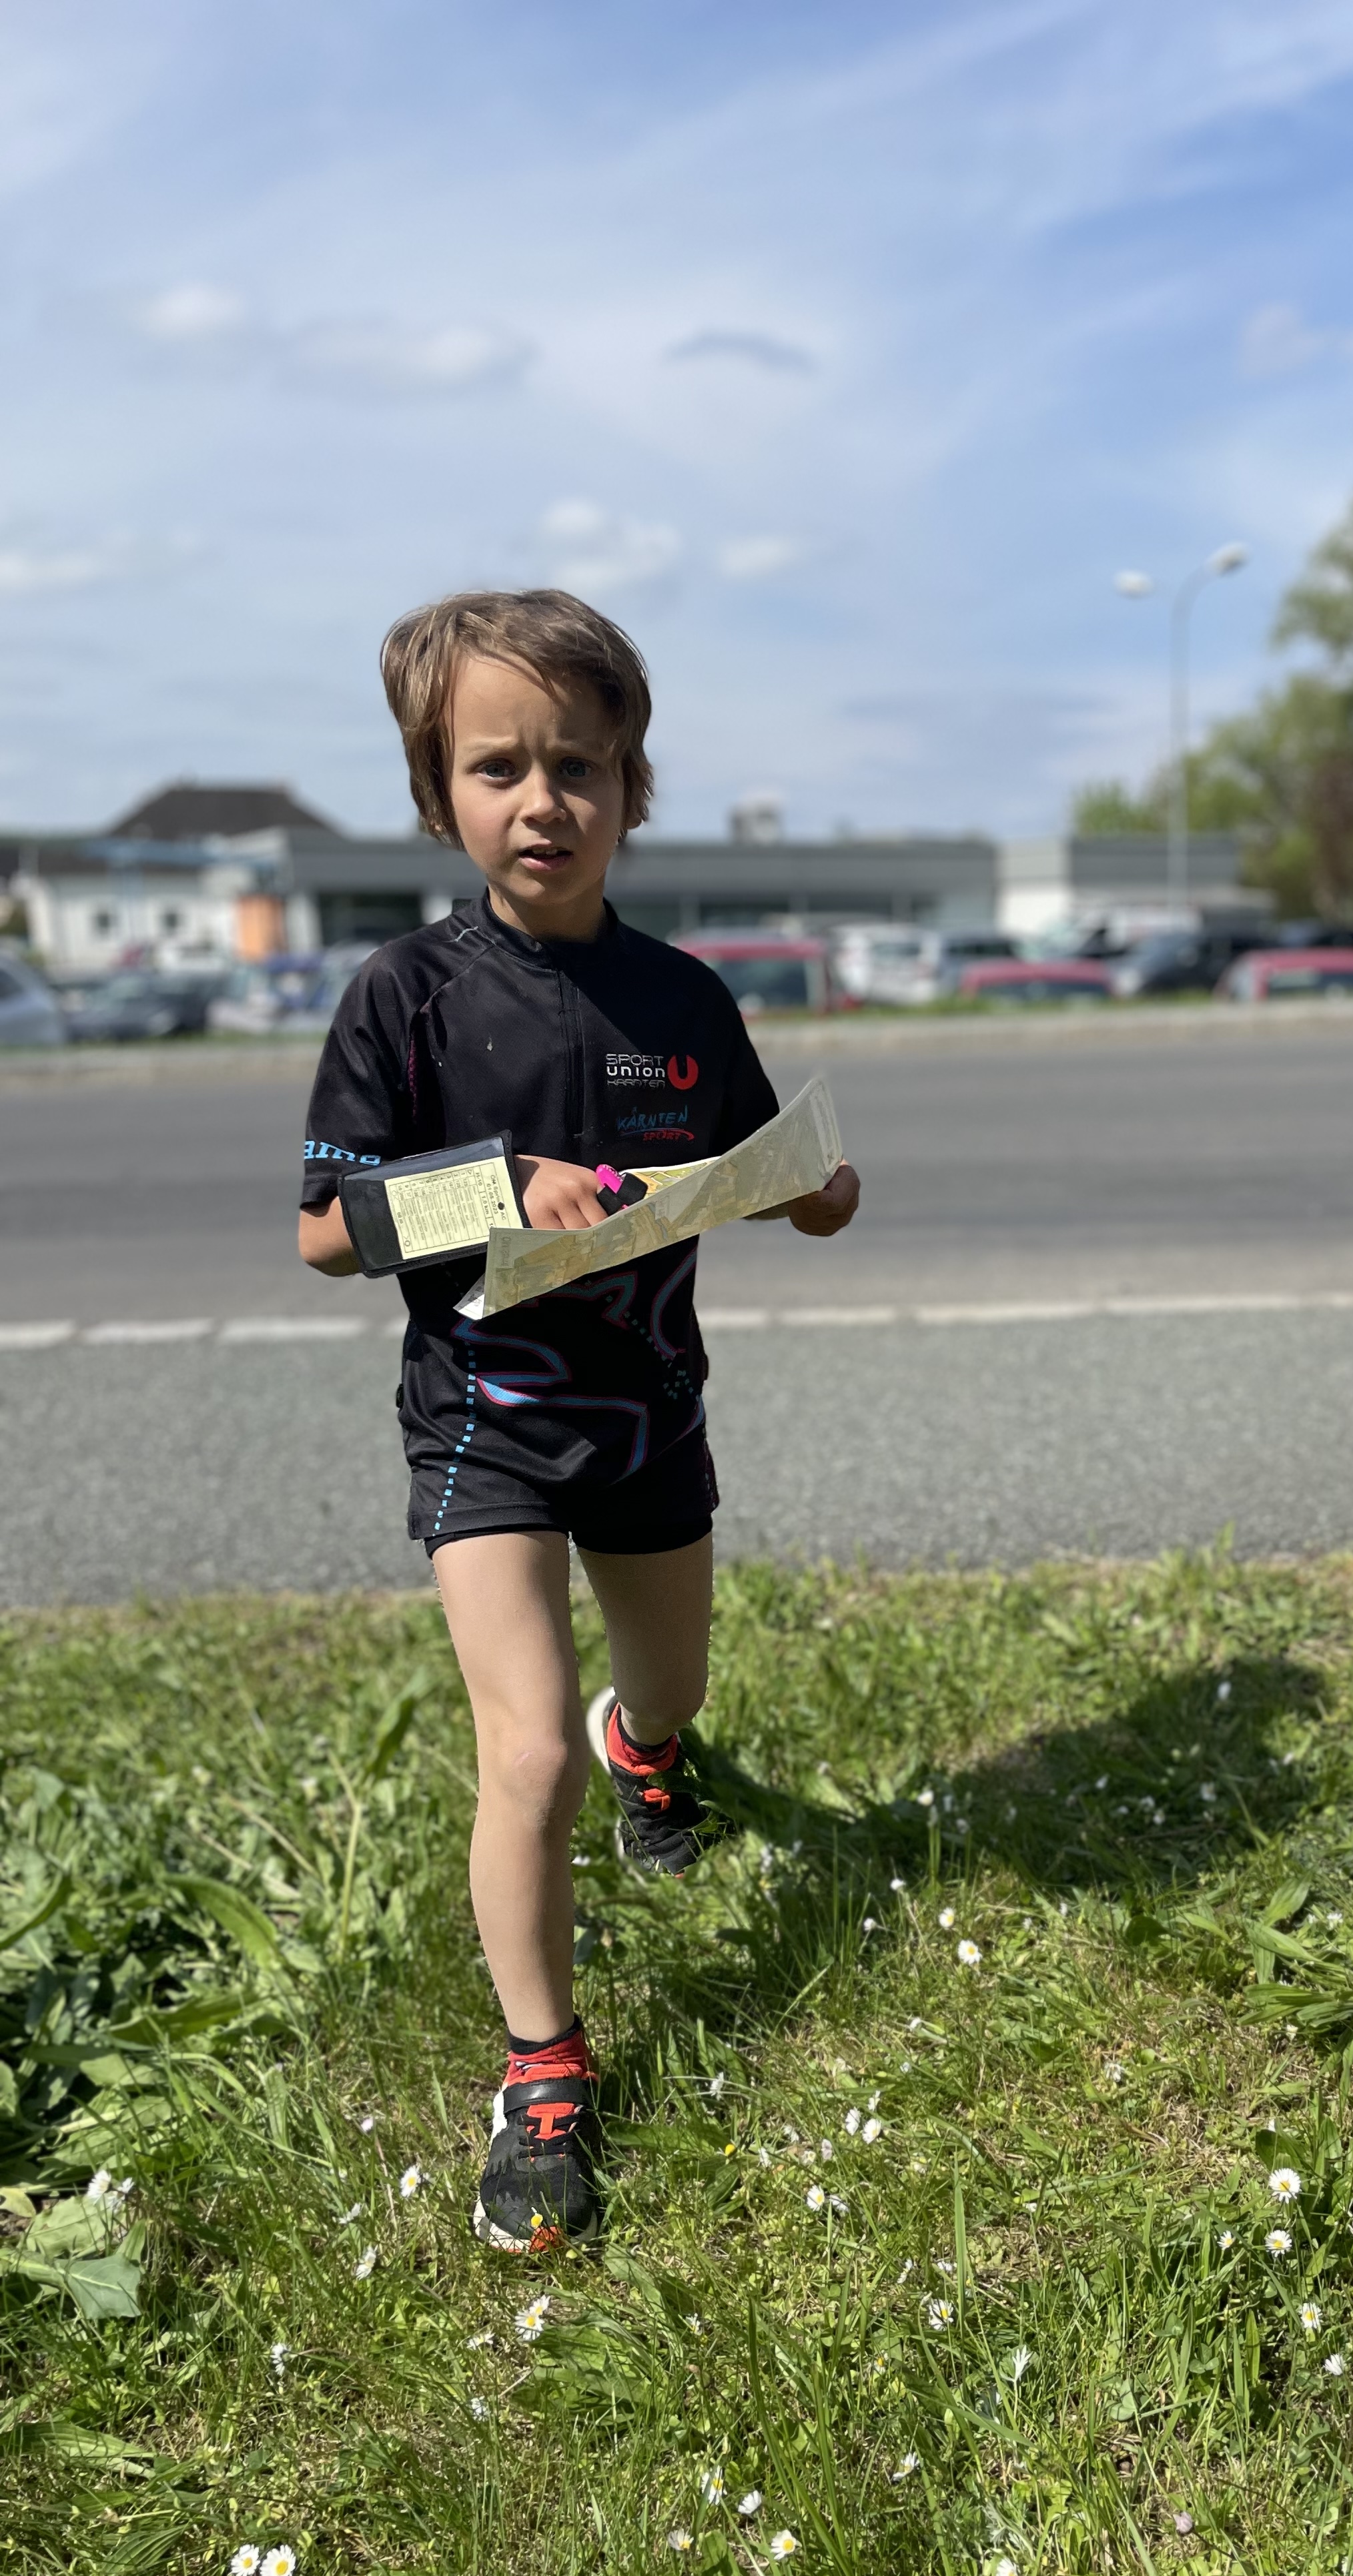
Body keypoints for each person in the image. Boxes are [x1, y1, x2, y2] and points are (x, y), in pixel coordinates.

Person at [297, 588, 860, 2252]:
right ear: (437, 795)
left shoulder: (684, 997)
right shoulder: (404, 995)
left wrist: (814, 1194)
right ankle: (543, 2068)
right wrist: (488, 1190)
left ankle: (656, 1755)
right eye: (500, 768)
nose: (544, 801)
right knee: (521, 1747)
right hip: (485, 1416)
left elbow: (767, 1173)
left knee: (660, 1687)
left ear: (632, 787)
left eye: (582, 767)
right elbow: (325, 1231)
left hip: (650, 1411)